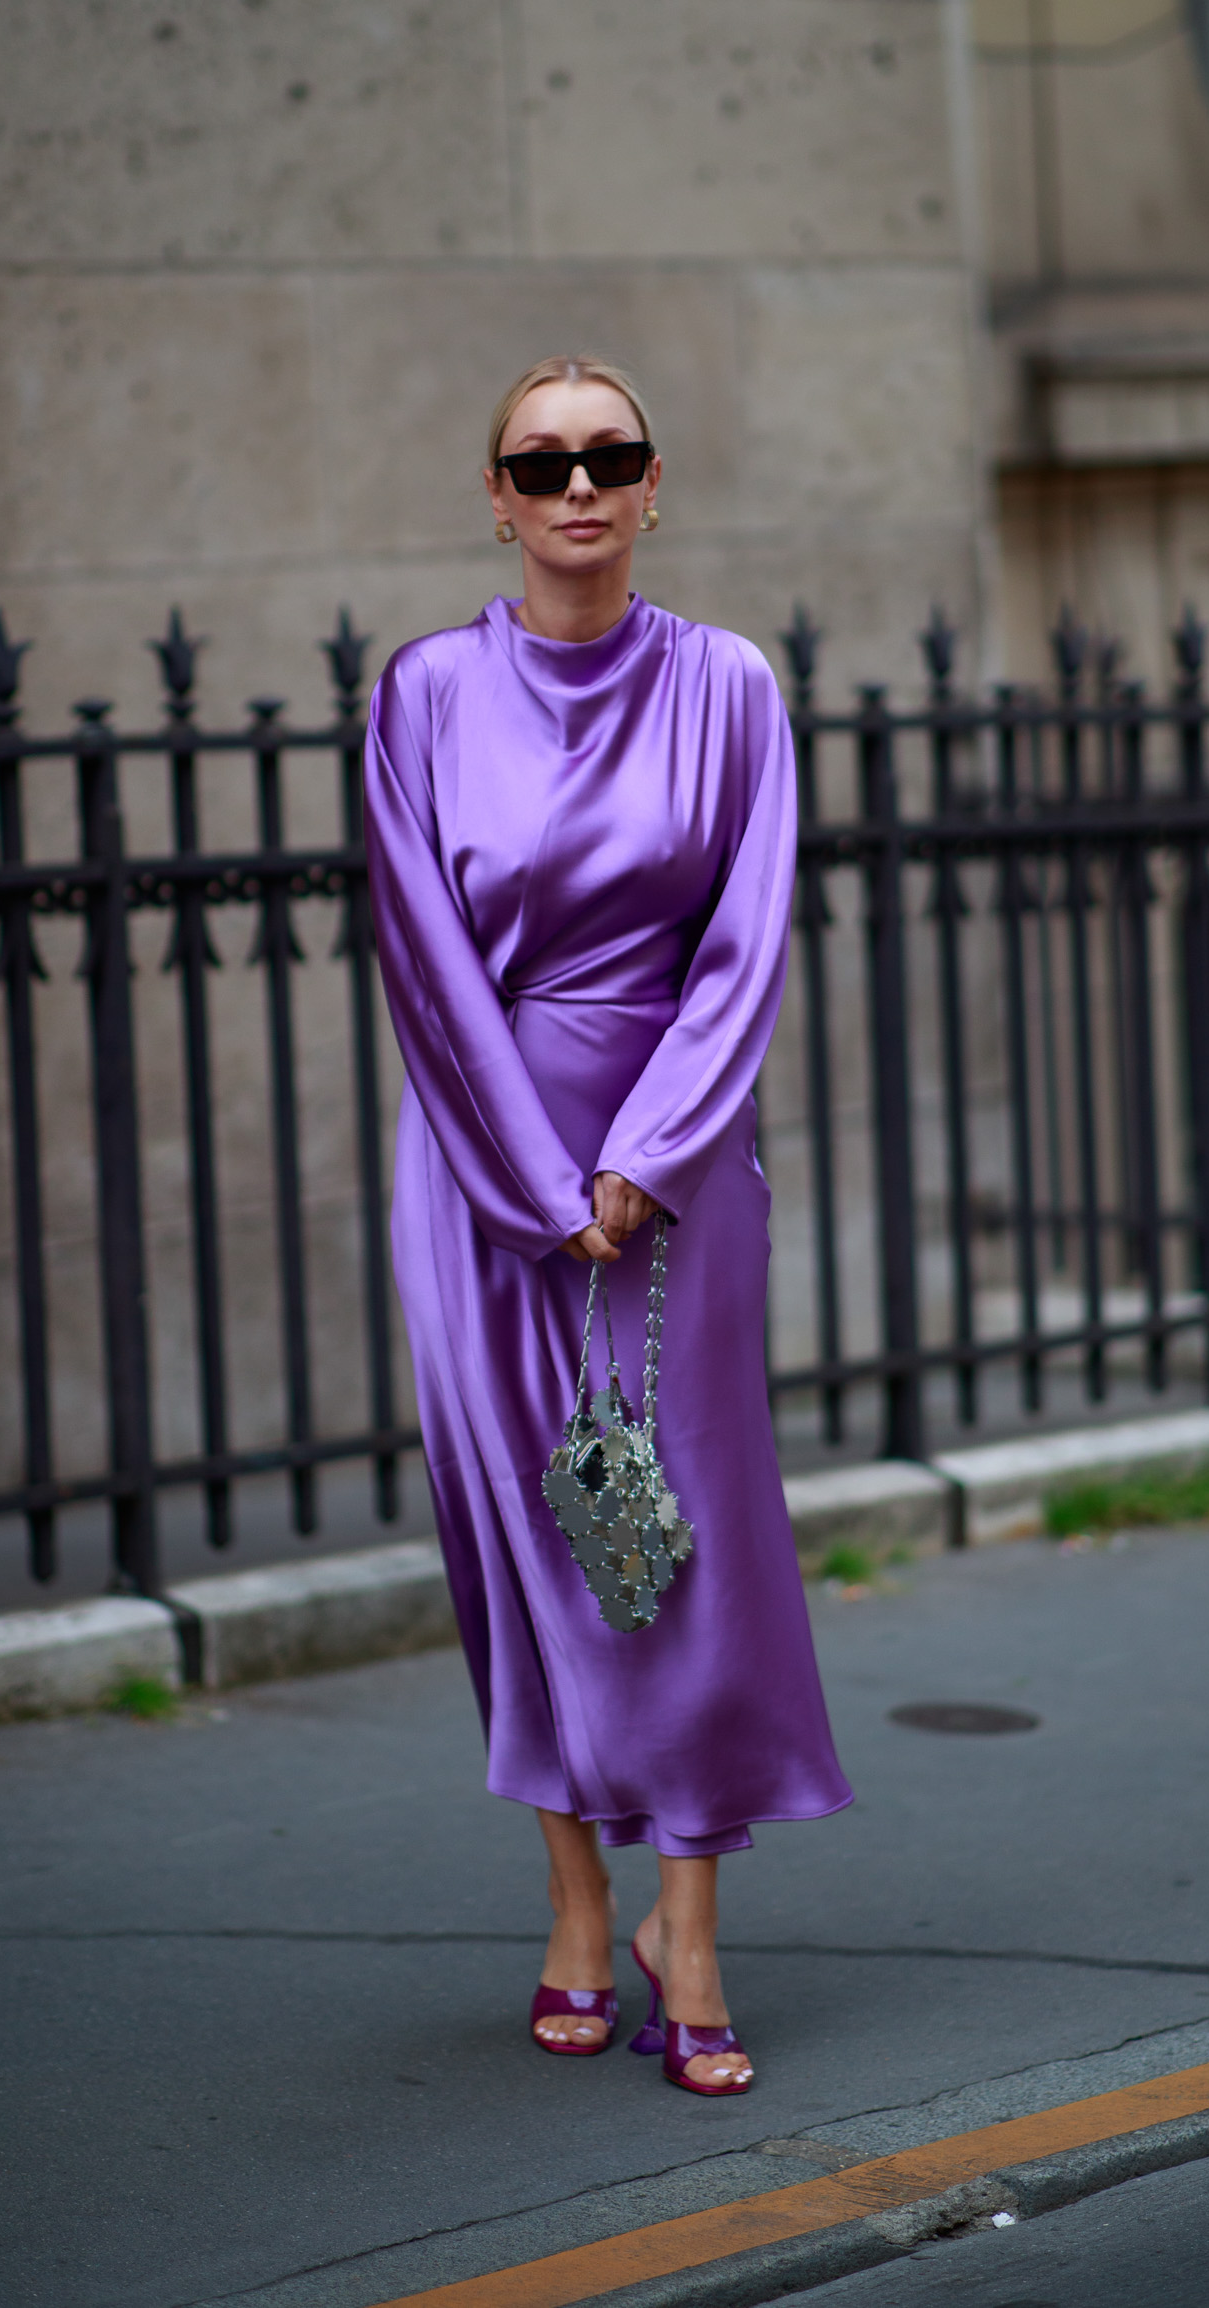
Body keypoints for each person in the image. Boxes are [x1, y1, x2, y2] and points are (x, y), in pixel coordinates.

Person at [363, 355, 851, 2097]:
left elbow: (747, 942)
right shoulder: (422, 693)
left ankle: (692, 1925)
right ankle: (580, 1905)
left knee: (680, 1535)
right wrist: (529, 1180)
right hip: (486, 1180)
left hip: (678, 1165)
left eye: (613, 457)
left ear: (657, 486)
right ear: (493, 495)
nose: (580, 486)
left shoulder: (728, 688)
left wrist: (645, 1156)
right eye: (541, 462)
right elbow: (422, 955)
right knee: (528, 1532)